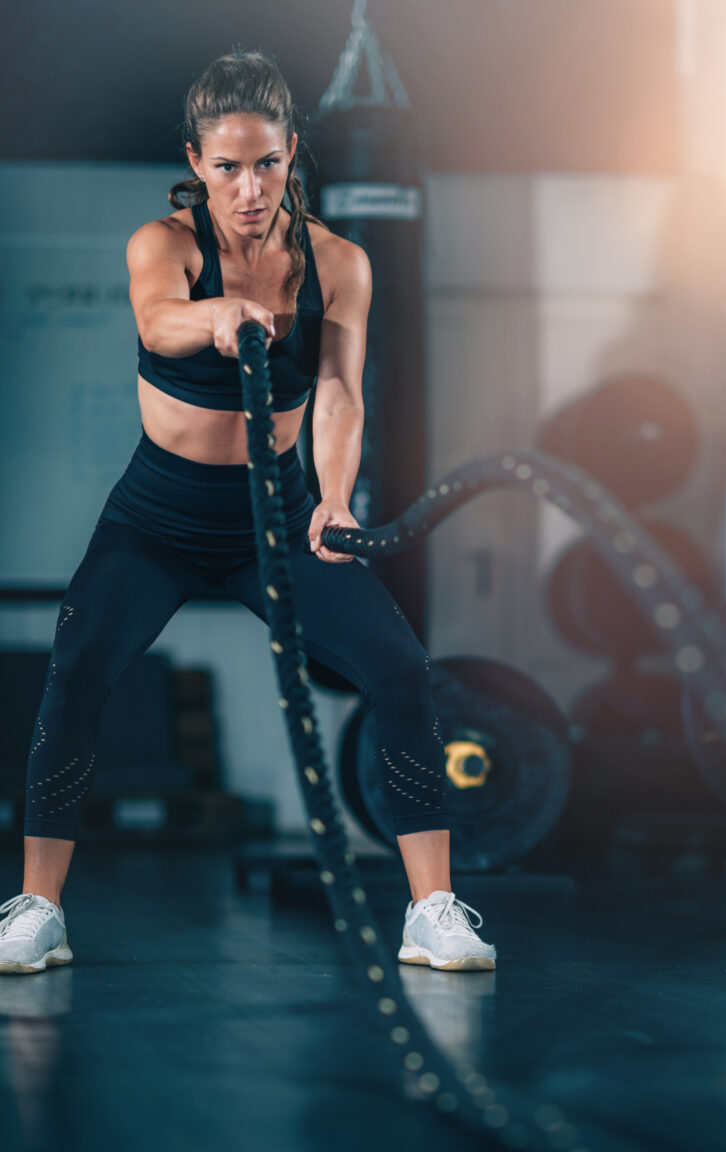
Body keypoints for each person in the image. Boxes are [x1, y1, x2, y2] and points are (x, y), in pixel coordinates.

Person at [0, 50, 496, 975]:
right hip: (155, 517)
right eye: (227, 167)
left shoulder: (340, 262)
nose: (249, 187)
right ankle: (39, 907)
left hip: (280, 513)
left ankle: (433, 911)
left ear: (293, 153)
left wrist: (338, 500)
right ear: (196, 161)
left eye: (267, 163)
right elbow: (156, 321)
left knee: (398, 666)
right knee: (75, 674)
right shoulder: (168, 244)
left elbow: (343, 395)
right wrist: (218, 315)